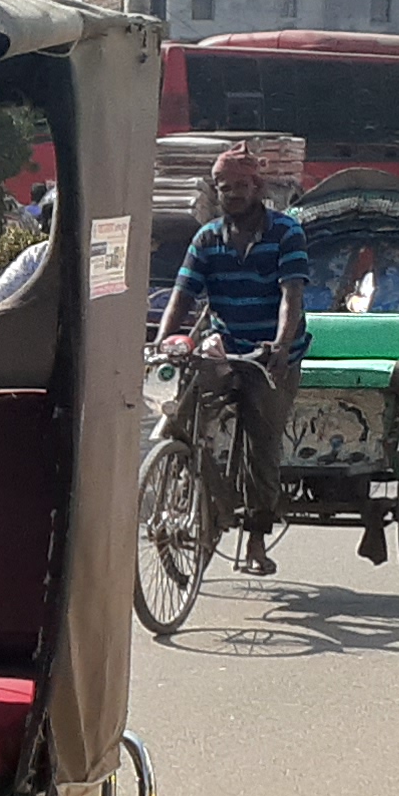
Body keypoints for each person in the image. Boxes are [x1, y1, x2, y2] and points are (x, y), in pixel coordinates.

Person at [158, 144, 309, 576]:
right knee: (180, 412)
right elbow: (182, 295)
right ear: (216, 192)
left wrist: (281, 345)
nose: (234, 195)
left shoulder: (285, 232)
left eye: (241, 187)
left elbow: (291, 294)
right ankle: (207, 496)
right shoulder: (206, 239)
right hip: (225, 347)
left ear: (257, 187)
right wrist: (166, 339)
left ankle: (256, 541)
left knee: (262, 444)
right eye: (225, 189)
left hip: (272, 356)